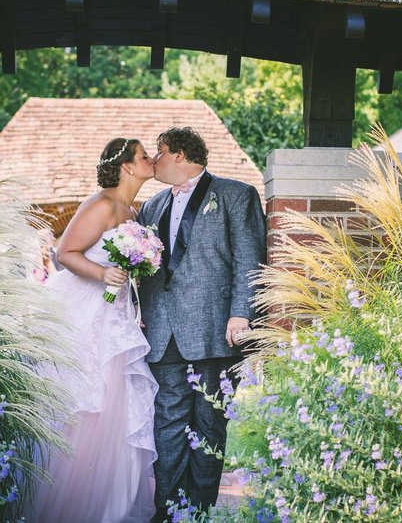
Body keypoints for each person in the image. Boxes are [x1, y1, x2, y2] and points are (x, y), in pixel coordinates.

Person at [137, 127, 266, 521]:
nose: (154, 161)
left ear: (178, 154)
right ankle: (167, 509)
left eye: (158, 153)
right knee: (168, 423)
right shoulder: (152, 206)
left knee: (210, 425)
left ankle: (200, 511)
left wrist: (241, 312)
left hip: (216, 330)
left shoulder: (235, 195)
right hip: (161, 333)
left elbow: (249, 259)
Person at [27, 137, 158, 523]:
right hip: (86, 313)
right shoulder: (101, 203)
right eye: (144, 155)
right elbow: (64, 253)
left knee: (118, 406)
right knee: (86, 403)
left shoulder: (132, 212)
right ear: (128, 167)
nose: (151, 159)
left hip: (117, 317)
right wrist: (103, 272)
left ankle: (108, 507)